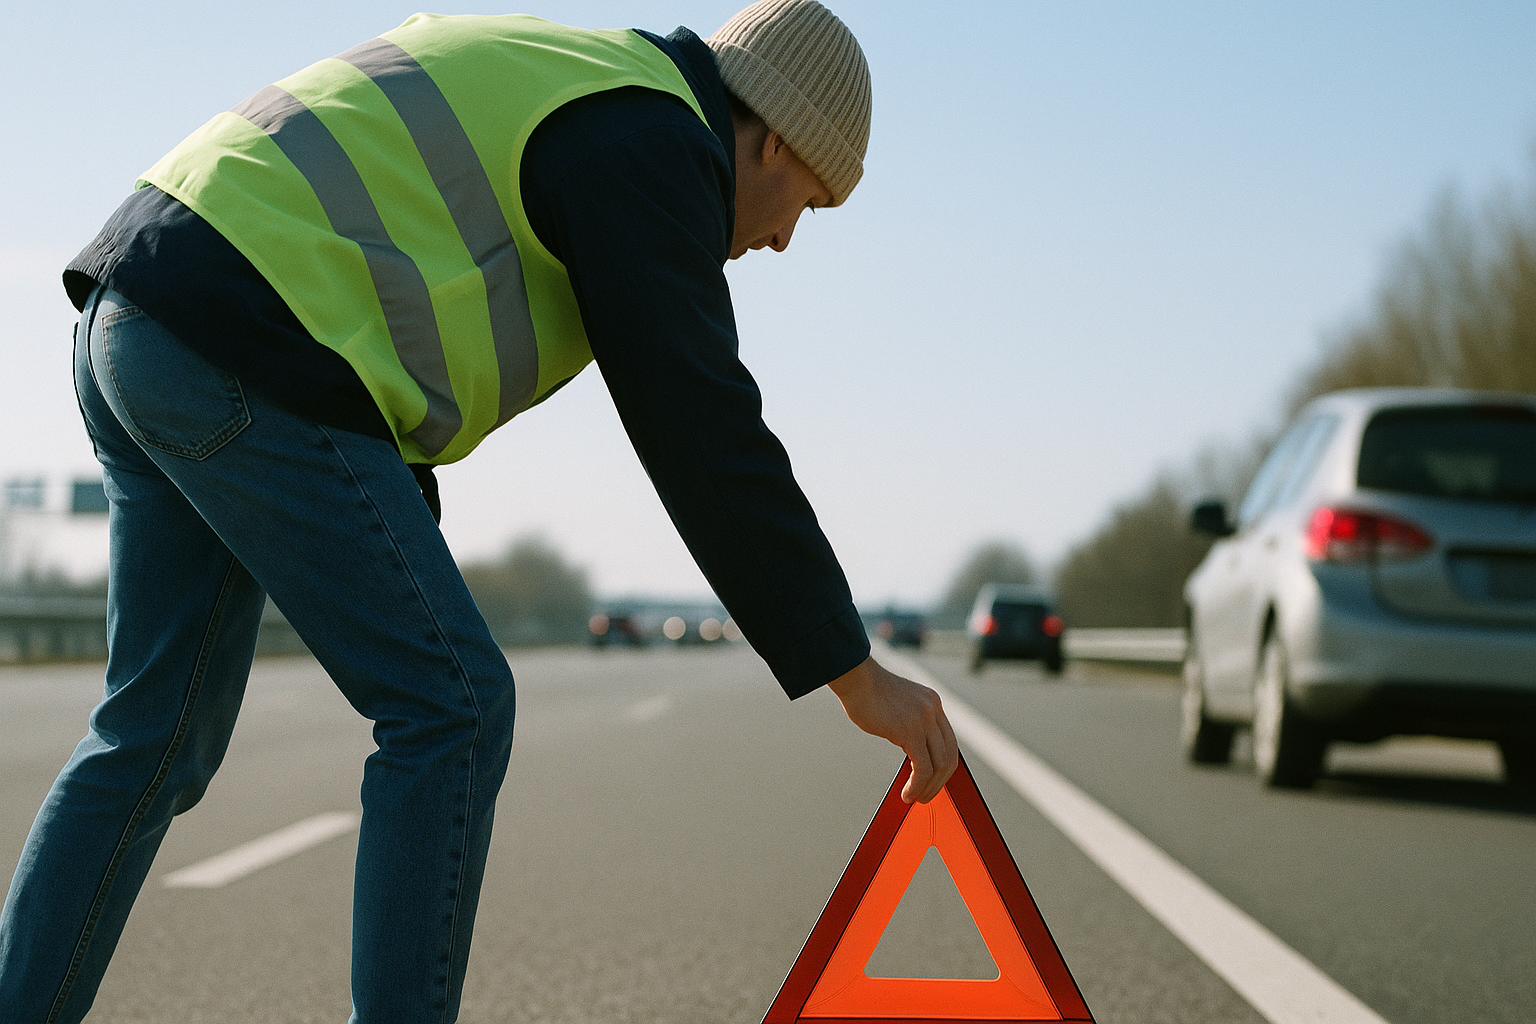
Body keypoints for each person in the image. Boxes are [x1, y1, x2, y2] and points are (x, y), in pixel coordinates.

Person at [0, 1, 959, 1020]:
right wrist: (851, 672)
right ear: (773, 140)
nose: (784, 240)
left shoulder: (585, 83)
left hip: (139, 311)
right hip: (243, 336)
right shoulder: (654, 142)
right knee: (452, 703)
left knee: (150, 734)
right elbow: (704, 428)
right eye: (807, 203)